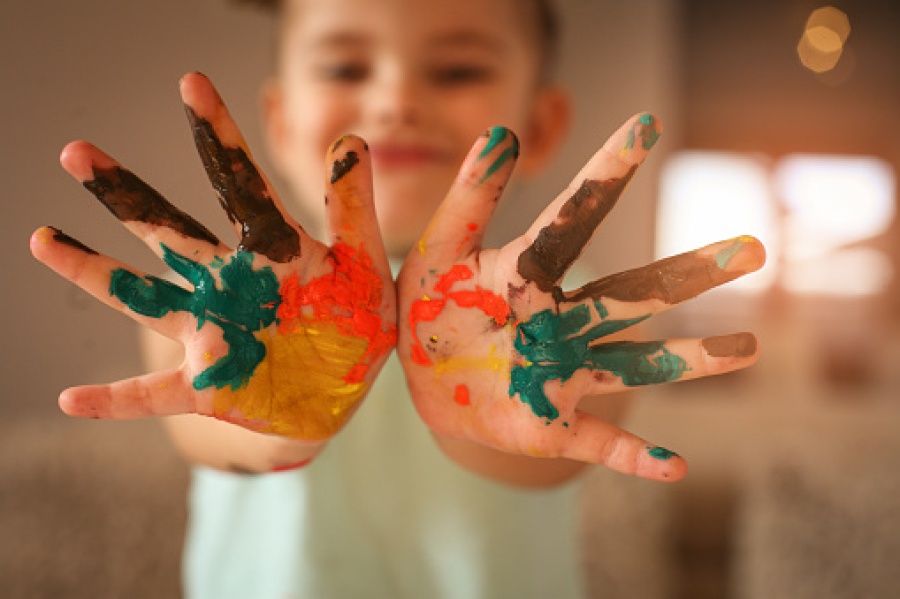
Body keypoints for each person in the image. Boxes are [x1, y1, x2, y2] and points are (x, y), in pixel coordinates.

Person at [29, 0, 766, 596]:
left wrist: (466, 395)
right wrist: (290, 406)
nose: (396, 98)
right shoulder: (209, 308)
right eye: (346, 64)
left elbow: (560, 453)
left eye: (456, 69)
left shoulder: (560, 318)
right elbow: (213, 441)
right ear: (281, 122)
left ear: (539, 127)